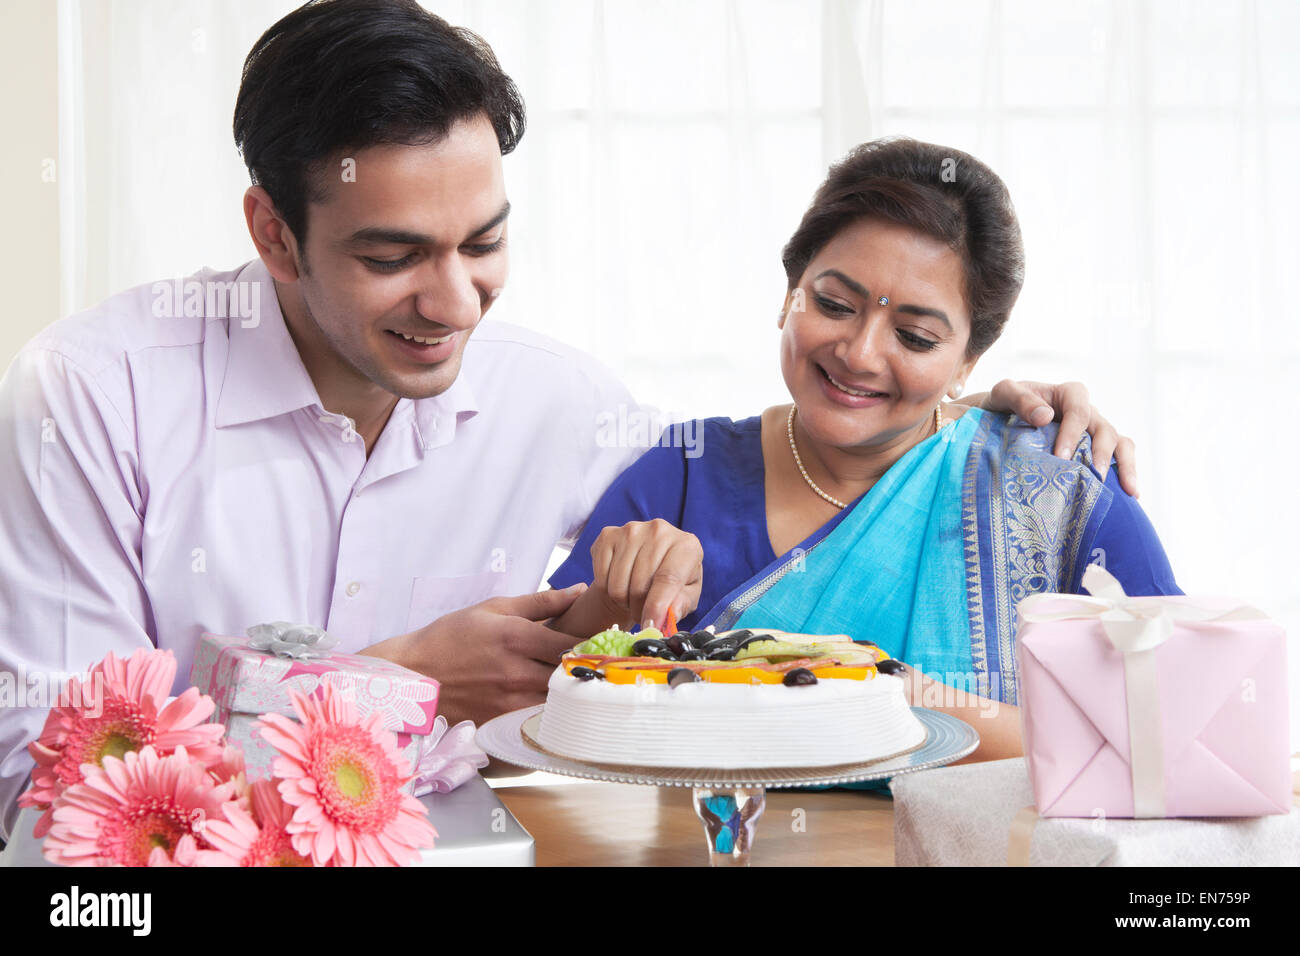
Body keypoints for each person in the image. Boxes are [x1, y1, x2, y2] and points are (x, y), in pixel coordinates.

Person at [0, 0, 1137, 839]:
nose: (453, 305)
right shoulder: (92, 401)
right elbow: (41, 786)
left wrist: (989, 416)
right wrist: (386, 683)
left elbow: (757, 488)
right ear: (273, 230)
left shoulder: (562, 402)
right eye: (394, 256)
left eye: (484, 243)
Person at [548, 137, 1179, 764]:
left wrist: (879, 693)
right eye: (833, 304)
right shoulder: (685, 472)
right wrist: (611, 597)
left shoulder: (1050, 493)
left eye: (914, 335)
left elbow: (1172, 735)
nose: (860, 352)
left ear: (969, 362)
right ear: (788, 297)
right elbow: (532, 698)